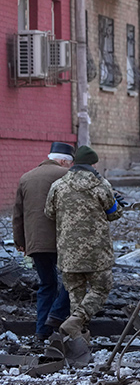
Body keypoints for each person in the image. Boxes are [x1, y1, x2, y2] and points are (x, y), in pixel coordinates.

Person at [44, 145, 123, 340]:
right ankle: (76, 321)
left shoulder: (58, 185)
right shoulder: (101, 185)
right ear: (93, 164)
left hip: (68, 252)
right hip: (97, 253)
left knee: (75, 295)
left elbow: (49, 213)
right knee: (101, 288)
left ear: (73, 163)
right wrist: (118, 204)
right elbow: (114, 214)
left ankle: (79, 339)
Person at [12, 142, 74, 341]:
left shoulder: (26, 178)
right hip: (63, 241)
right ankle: (56, 317)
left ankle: (41, 331)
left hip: (35, 243)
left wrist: (20, 242)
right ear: (64, 161)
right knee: (72, 281)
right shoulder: (66, 176)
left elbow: (18, 215)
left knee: (47, 284)